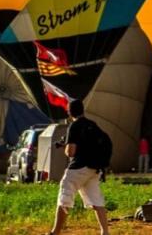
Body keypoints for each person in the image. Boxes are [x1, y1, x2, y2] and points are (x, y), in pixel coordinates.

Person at [49, 99, 109, 235]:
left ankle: (55, 232)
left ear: (69, 112)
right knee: (96, 200)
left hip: (78, 167)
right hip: (94, 168)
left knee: (65, 195)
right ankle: (105, 232)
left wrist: (65, 147)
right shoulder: (93, 125)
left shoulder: (74, 126)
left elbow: (71, 152)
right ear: (83, 110)